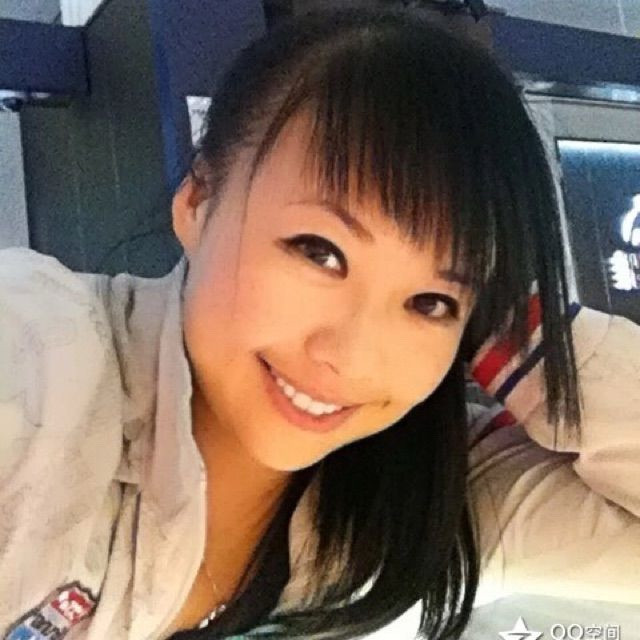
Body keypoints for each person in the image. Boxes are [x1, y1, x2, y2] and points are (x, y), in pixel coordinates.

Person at [0, 7, 639, 640]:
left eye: (430, 303)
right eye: (319, 252)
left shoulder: (414, 507)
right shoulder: (39, 359)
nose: (351, 356)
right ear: (198, 200)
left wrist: (522, 332)